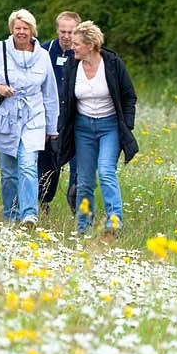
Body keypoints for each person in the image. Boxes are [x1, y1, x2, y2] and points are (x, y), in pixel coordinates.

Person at [0, 9, 60, 225]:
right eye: (18, 28)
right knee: (9, 171)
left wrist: (52, 127)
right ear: (12, 29)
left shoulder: (43, 56)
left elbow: (50, 94)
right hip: (5, 118)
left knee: (29, 166)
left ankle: (29, 214)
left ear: (32, 30)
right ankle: (11, 216)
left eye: (26, 28)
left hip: (33, 117)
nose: (21, 32)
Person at [56, 20, 138, 237]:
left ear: (90, 45)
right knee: (84, 180)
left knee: (106, 171)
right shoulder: (72, 66)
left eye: (76, 44)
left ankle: (114, 224)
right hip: (82, 128)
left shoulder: (113, 64)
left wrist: (126, 126)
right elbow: (66, 100)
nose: (72, 47)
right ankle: (83, 228)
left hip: (109, 126)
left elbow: (129, 96)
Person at [39, 10, 81, 215]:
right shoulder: (43, 51)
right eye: (62, 31)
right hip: (49, 119)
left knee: (79, 168)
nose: (66, 36)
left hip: (75, 120)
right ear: (57, 30)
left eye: (71, 32)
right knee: (48, 166)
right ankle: (42, 203)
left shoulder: (82, 53)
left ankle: (78, 205)